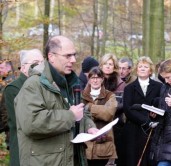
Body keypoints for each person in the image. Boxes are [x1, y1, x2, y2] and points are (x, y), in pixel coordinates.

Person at [14, 35, 98, 166]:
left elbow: (80, 112)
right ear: (51, 57)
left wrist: (89, 127)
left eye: (74, 55)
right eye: (68, 56)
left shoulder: (70, 83)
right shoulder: (33, 85)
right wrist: (70, 116)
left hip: (72, 159)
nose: (74, 60)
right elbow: (31, 123)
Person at [3, 49, 44, 166]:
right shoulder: (13, 89)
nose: (40, 66)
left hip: (43, 152)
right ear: (24, 67)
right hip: (23, 150)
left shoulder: (44, 86)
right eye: (36, 62)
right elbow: (23, 122)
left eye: (42, 62)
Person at [123, 56, 162, 166]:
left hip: (152, 130)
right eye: (140, 66)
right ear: (136, 69)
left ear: (150, 70)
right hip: (133, 130)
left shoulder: (159, 86)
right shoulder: (129, 88)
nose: (143, 68)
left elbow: (161, 105)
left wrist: (155, 114)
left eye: (146, 66)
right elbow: (127, 109)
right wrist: (146, 121)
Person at [82, 66, 118, 166]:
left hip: (103, 144)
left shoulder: (110, 95)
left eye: (98, 77)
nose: (95, 80)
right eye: (92, 78)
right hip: (85, 145)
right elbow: (79, 116)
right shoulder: (81, 95)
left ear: (102, 79)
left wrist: (89, 107)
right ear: (89, 79)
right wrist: (99, 111)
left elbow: (108, 114)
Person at [99, 53, 126, 165]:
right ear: (101, 65)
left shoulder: (120, 84)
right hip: (97, 123)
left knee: (112, 158)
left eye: (110, 64)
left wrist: (104, 108)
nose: (108, 66)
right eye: (105, 64)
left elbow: (121, 105)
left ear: (114, 66)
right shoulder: (94, 79)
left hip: (114, 123)